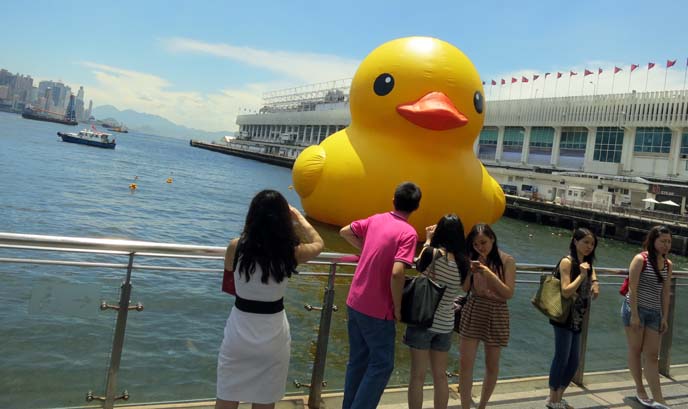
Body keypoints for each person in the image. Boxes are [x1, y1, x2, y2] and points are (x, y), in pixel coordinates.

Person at [215, 190, 324, 409]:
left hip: (239, 333)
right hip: (273, 335)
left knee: (227, 397)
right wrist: (298, 217)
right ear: (283, 219)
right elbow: (319, 243)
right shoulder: (290, 252)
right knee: (264, 401)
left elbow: (229, 278)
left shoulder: (236, 246)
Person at [340, 181, 422, 409]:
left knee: (357, 361)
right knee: (382, 365)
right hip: (378, 309)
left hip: (355, 300)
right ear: (416, 207)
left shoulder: (376, 219)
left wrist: (367, 250)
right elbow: (397, 273)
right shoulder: (408, 233)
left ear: (393, 200)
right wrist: (397, 307)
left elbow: (345, 231)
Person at [405, 214, 469, 409]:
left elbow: (418, 266)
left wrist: (429, 239)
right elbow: (466, 289)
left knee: (417, 376)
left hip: (423, 320)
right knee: (440, 376)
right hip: (446, 324)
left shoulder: (432, 254)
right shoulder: (463, 262)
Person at [459, 223, 516, 409]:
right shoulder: (473, 258)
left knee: (491, 364)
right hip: (474, 307)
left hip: (497, 310)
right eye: (476, 244)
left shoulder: (507, 260)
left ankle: (482, 405)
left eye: (483, 242)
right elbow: (466, 288)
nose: (480, 247)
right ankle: (465, 405)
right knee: (465, 364)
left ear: (492, 238)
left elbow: (508, 293)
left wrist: (488, 273)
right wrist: (470, 270)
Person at [546, 228, 600, 409]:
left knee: (574, 360)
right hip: (563, 316)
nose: (589, 247)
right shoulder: (567, 262)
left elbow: (592, 270)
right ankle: (552, 399)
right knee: (561, 357)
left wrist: (594, 281)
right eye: (585, 242)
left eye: (592, 244)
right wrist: (583, 276)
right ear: (575, 241)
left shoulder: (586, 263)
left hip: (578, 317)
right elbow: (566, 290)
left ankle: (559, 396)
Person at [622, 226, 673, 409]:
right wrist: (634, 314)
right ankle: (640, 389)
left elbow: (665, 293)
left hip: (654, 313)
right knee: (635, 350)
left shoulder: (668, 264)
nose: (666, 245)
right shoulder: (640, 259)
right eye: (662, 241)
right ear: (653, 241)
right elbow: (632, 288)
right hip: (635, 310)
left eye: (668, 241)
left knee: (652, 355)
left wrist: (664, 317)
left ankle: (659, 399)